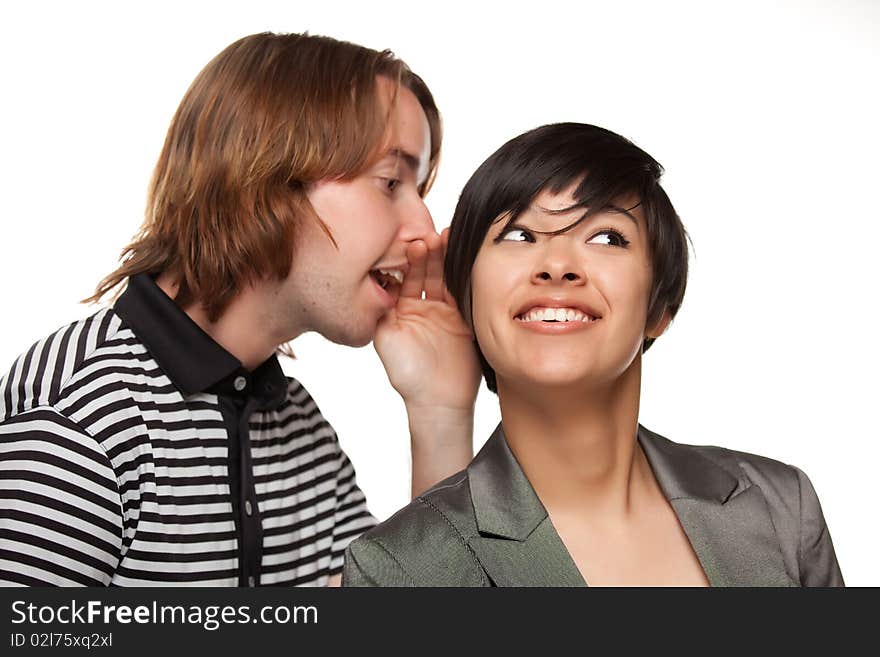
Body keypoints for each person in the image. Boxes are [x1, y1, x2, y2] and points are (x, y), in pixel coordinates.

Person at [0, 32, 479, 586]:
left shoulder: (299, 427)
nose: (424, 227)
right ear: (268, 179)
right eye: (391, 181)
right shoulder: (81, 421)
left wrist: (439, 413)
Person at [342, 122, 844, 586]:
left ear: (660, 308)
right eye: (518, 234)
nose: (558, 264)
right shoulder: (396, 567)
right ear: (467, 302)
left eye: (607, 237)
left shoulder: (782, 508)